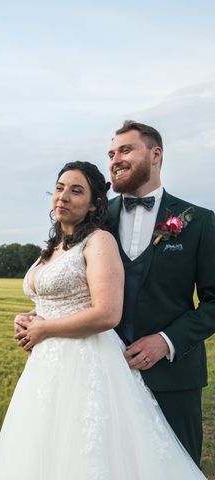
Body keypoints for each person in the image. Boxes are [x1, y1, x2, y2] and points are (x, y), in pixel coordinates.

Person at [0, 161, 205, 479]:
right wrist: (31, 318)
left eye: (76, 191)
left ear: (94, 204)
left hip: (85, 362)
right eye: (59, 188)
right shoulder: (53, 247)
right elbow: (53, 299)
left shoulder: (99, 241)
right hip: (46, 367)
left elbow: (107, 313)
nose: (63, 197)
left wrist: (44, 328)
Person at [105, 120, 215, 465]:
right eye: (111, 153)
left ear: (156, 155)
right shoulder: (95, 220)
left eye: (125, 149)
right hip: (106, 375)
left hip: (175, 378)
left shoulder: (199, 221)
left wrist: (166, 341)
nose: (115, 159)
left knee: (177, 469)